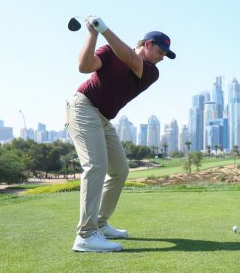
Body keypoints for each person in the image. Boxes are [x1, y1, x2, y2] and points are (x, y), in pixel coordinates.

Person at [66, 16, 176, 252]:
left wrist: (104, 29)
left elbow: (129, 59)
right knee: (96, 166)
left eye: (166, 54)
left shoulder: (150, 71)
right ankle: (85, 235)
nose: (163, 57)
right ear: (147, 43)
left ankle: (100, 224)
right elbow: (83, 67)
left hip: (103, 118)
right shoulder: (108, 51)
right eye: (161, 50)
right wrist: (93, 34)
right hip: (83, 107)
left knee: (119, 170)